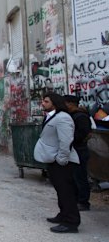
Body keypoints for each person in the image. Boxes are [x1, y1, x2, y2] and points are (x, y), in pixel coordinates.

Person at [34, 92, 80, 233]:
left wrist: (62, 159)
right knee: (60, 190)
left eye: (46, 101)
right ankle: (63, 215)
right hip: (54, 160)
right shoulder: (52, 116)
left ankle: (71, 222)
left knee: (66, 192)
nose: (43, 103)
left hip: (62, 162)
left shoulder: (62, 118)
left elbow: (66, 141)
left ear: (54, 103)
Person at [63, 95, 92, 212]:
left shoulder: (80, 117)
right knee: (73, 177)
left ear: (70, 103)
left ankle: (83, 202)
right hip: (73, 150)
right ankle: (76, 199)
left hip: (80, 150)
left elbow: (82, 134)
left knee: (80, 177)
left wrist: (67, 138)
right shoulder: (72, 116)